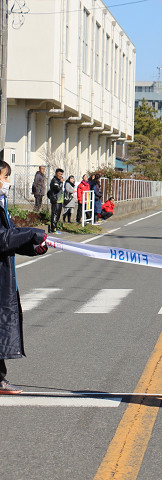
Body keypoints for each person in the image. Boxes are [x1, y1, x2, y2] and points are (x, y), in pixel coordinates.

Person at [0, 154, 48, 394]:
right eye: (5, 177)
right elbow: (3, 239)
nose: (7, 181)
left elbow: (12, 235)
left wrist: (34, 245)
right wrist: (31, 234)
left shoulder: (1, 204)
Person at [49, 168, 64, 233]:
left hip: (60, 200)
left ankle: (55, 227)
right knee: (54, 214)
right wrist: (61, 182)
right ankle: (53, 228)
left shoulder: (58, 181)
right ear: (56, 173)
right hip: (55, 200)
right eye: (59, 174)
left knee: (58, 214)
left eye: (61, 174)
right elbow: (57, 188)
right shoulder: (54, 181)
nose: (60, 175)